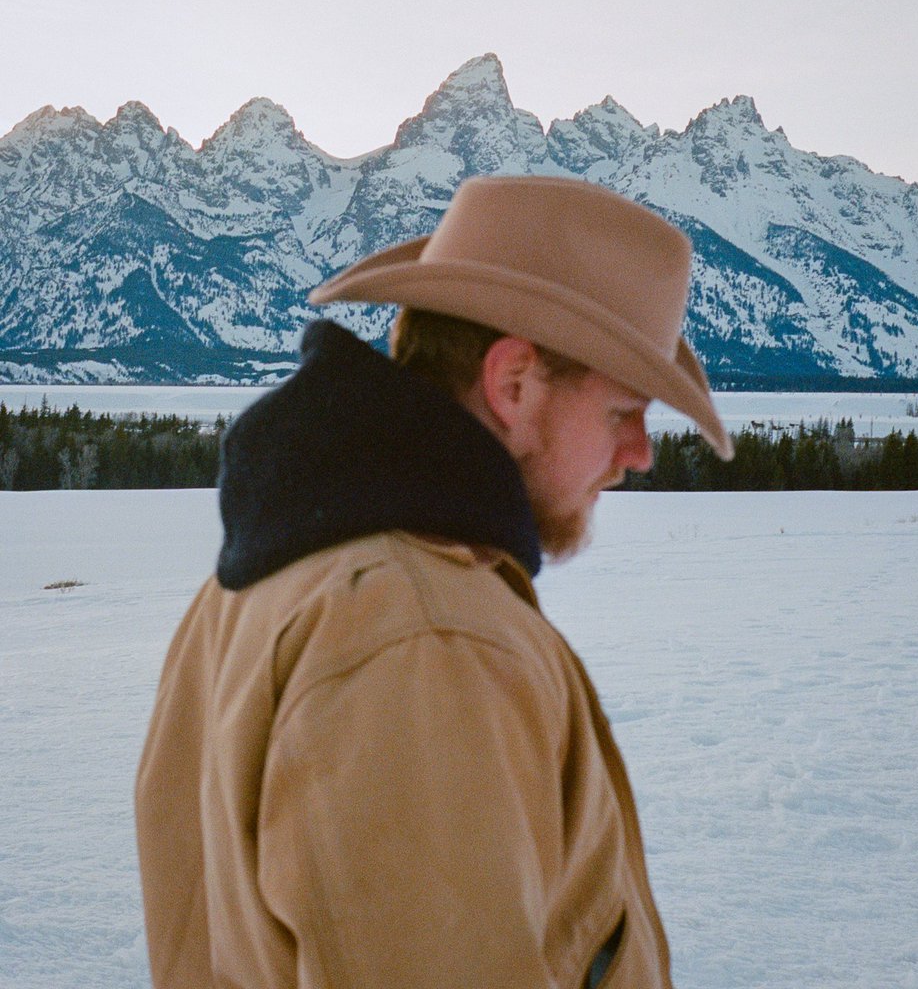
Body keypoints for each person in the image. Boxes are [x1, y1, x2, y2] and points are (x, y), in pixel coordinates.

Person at [135, 174, 733, 989]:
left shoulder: (276, 573)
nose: (639, 454)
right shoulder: (423, 635)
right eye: (623, 411)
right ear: (514, 385)